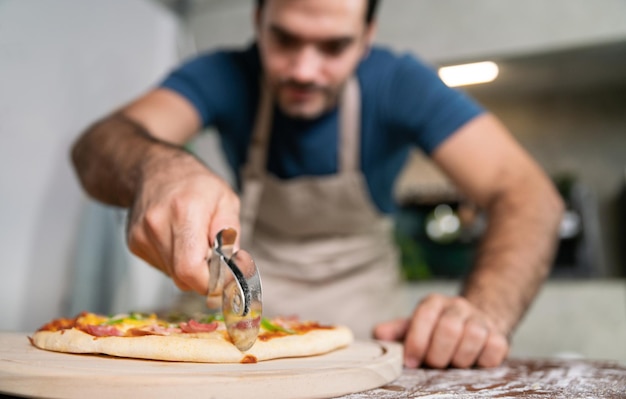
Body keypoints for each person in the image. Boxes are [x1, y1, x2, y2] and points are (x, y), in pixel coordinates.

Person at [71, 0, 564, 369]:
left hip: (361, 332)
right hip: (228, 331)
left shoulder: (399, 82)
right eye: (284, 39)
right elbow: (98, 144)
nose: (304, 70)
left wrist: (482, 312)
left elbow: (527, 193)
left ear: (366, 36)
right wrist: (157, 168)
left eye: (333, 47)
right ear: (258, 23)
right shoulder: (224, 74)